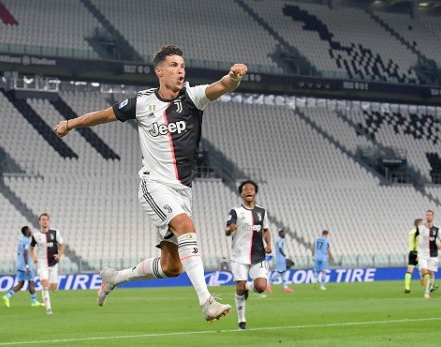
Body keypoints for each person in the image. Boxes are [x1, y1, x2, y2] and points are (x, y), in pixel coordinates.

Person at [54, 44, 247, 322]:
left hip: (182, 192)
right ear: (159, 71)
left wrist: (235, 77)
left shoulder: (192, 98)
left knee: (172, 268)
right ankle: (207, 302)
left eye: (182, 65)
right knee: (186, 227)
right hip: (154, 185)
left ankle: (115, 277)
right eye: (173, 65)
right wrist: (70, 123)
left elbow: (221, 86)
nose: (180, 70)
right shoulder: (143, 103)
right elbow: (104, 116)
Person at [225, 180, 272, 330]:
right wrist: (229, 229)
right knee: (239, 288)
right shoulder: (235, 211)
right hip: (240, 255)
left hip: (258, 254)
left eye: (251, 189)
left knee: (260, 287)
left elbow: (266, 230)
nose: (249, 191)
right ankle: (241, 320)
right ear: (241, 194)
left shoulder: (262, 211)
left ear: (255, 193)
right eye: (245, 189)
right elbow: (227, 230)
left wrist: (269, 244)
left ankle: (246, 286)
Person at [30, 213, 66, 315]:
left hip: (53, 263)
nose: (44, 221)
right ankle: (48, 309)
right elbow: (31, 248)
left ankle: (48, 290)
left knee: (54, 288)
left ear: (49, 221)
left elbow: (62, 245)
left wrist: (59, 255)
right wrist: (34, 258)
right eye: (43, 220)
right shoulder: (36, 236)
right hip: (42, 263)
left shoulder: (55, 233)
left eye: (46, 219)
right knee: (45, 284)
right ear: (39, 221)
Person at [3, 226, 44, 308]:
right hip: (26, 266)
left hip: (20, 265)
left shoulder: (22, 240)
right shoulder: (27, 241)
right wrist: (27, 266)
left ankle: (7, 296)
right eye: (29, 230)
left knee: (21, 284)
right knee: (31, 282)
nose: (31, 231)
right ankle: (34, 302)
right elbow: (25, 253)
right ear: (26, 232)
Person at [416, 210, 441, 299]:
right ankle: (422, 276)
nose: (428, 216)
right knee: (424, 272)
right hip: (422, 254)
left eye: (430, 215)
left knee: (431, 273)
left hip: (433, 254)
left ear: (433, 217)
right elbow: (415, 238)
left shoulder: (438, 229)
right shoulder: (421, 228)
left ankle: (427, 293)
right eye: (427, 215)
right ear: (426, 217)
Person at [272, 229, 294, 293]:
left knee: (284, 272)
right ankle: (269, 283)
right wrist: (285, 256)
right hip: (280, 258)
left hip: (281, 258)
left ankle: (285, 287)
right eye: (283, 233)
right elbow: (280, 249)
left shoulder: (280, 240)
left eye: (284, 232)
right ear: (279, 233)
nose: (284, 234)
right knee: (280, 272)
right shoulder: (279, 240)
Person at [404, 218, 421, 294]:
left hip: (411, 252)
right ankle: (431, 286)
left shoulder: (411, 232)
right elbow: (418, 244)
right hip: (418, 253)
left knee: (409, 271)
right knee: (426, 270)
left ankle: (407, 288)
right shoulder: (419, 233)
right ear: (419, 224)